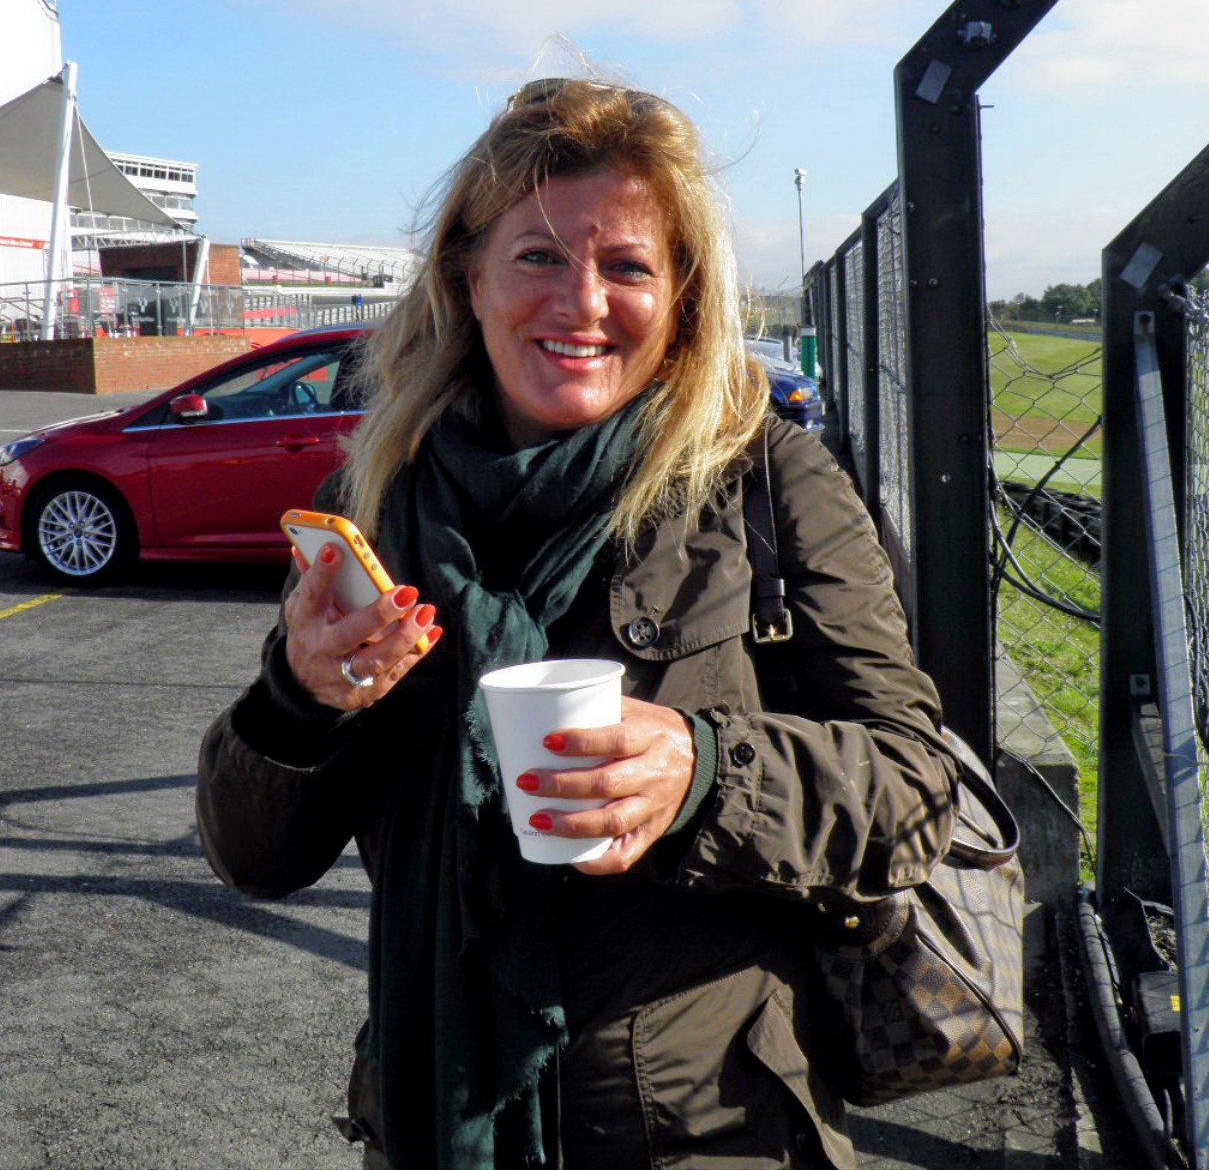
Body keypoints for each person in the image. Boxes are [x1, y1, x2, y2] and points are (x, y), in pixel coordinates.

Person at [197, 77, 958, 1169]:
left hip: (709, 1133)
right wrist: (295, 698)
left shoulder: (765, 481)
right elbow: (253, 855)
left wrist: (701, 769)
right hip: (433, 1116)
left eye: (627, 265)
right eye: (539, 256)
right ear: (468, 278)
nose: (582, 301)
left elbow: (911, 787)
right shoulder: (383, 503)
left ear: (683, 295)